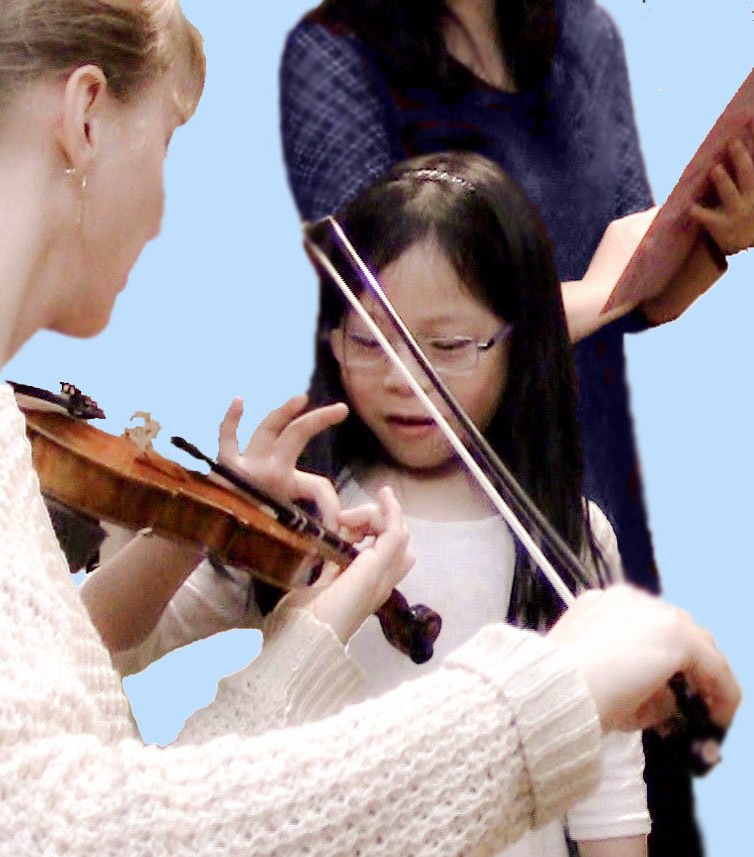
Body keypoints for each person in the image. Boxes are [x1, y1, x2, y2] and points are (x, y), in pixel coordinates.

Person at [0, 1, 741, 855]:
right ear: (86, 116)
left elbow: (105, 806)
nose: (164, 212)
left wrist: (305, 644)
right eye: (166, 141)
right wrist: (538, 702)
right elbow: (12, 836)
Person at [277, 3, 754, 853]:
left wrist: (718, 243)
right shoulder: (333, 52)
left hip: (568, 481)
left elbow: (632, 295)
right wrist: (583, 298)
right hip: (404, 501)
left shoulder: (587, 37)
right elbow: (387, 313)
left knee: (625, 801)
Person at [101, 151, 649, 857]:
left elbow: (606, 776)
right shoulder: (306, 513)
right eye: (368, 342)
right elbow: (112, 644)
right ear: (333, 341)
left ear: (521, 347)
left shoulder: (567, 535)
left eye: (448, 344)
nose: (400, 378)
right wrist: (209, 517)